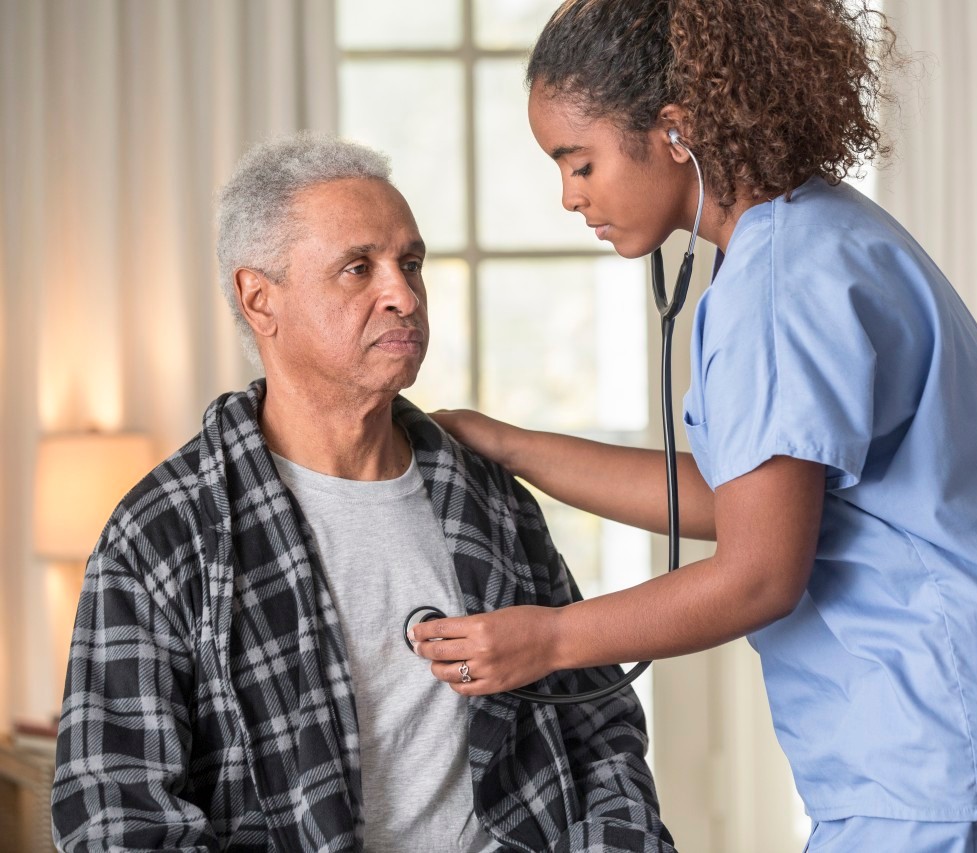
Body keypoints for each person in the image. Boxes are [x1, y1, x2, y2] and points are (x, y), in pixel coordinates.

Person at [409, 1, 977, 850]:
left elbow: (760, 571)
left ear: (675, 131)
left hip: (948, 742)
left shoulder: (775, 284)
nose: (570, 197)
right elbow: (743, 496)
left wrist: (551, 639)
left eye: (580, 162)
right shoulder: (814, 230)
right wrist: (511, 445)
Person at [51, 132, 675, 853]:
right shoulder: (162, 532)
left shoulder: (485, 495)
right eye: (358, 268)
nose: (403, 296)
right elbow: (116, 821)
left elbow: (600, 726)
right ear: (260, 300)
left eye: (410, 263)